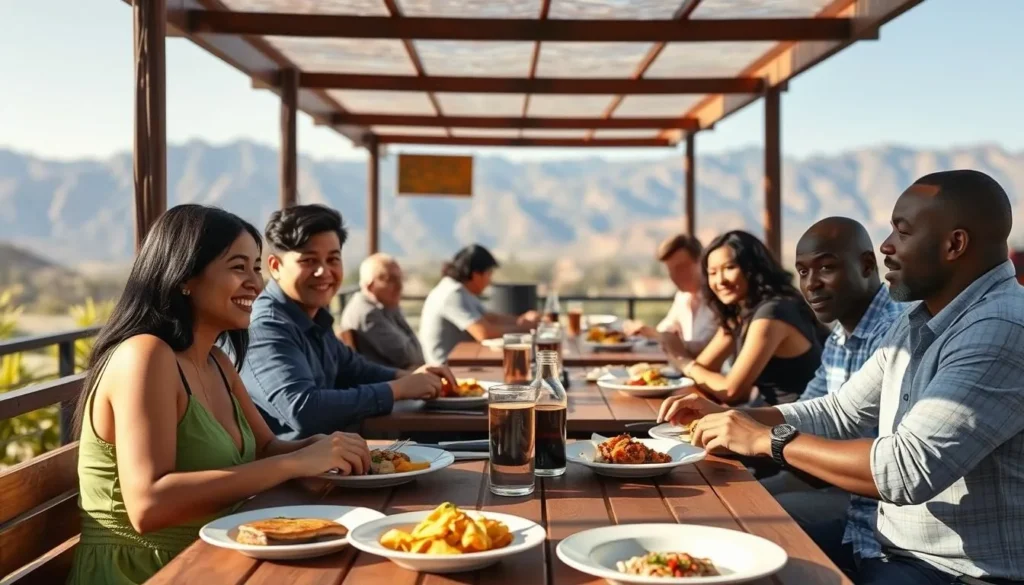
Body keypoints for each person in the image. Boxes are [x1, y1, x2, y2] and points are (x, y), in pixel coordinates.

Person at [660, 170, 1024, 584]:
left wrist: (764, 439)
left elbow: (907, 470)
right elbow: (840, 410)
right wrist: (733, 419)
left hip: (957, 573)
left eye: (901, 233)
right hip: (899, 551)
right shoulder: (916, 319)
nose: (886, 246)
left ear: (954, 244)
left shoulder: (1001, 327)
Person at [68, 205, 371, 585]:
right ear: (185, 277)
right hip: (149, 571)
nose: (256, 284)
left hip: (217, 555)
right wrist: (296, 464)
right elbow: (148, 505)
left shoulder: (216, 360)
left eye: (256, 268)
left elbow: (265, 449)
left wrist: (324, 447)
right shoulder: (144, 356)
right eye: (238, 267)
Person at [236, 205, 455, 440]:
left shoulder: (313, 316)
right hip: (293, 468)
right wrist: (397, 390)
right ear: (276, 267)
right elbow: (303, 409)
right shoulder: (266, 326)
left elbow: (354, 368)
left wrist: (406, 376)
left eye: (333, 259)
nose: (324, 271)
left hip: (335, 451)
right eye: (309, 261)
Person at [764, 217, 905, 570]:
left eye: (826, 267)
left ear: (868, 266)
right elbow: (811, 411)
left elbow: (882, 458)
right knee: (741, 495)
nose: (812, 284)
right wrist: (732, 423)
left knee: (753, 516)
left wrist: (758, 433)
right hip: (824, 475)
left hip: (873, 504)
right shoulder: (840, 336)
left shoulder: (895, 333)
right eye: (802, 271)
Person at [672, 230, 826, 406]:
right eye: (712, 273)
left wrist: (683, 362)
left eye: (729, 268)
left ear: (753, 268)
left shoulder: (772, 314)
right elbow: (706, 366)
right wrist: (689, 365)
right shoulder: (742, 312)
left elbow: (730, 391)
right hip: (771, 414)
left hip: (794, 423)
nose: (720, 280)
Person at [419, 244, 538, 364]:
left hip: (462, 361)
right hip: (446, 369)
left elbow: (489, 318)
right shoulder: (452, 294)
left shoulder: (461, 291)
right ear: (476, 275)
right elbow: (484, 333)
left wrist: (521, 320)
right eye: (489, 274)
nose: (490, 280)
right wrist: (524, 328)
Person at [624, 233, 716, 358]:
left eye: (681, 268)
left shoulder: (718, 299)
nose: (674, 276)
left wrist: (657, 335)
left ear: (701, 262)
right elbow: (667, 327)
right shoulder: (683, 297)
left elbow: (705, 346)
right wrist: (644, 331)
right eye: (670, 270)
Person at [339, 253, 424, 370]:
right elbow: (410, 357)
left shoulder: (383, 307)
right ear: (370, 285)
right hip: (389, 383)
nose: (399, 286)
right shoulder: (367, 313)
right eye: (391, 280)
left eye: (400, 279)